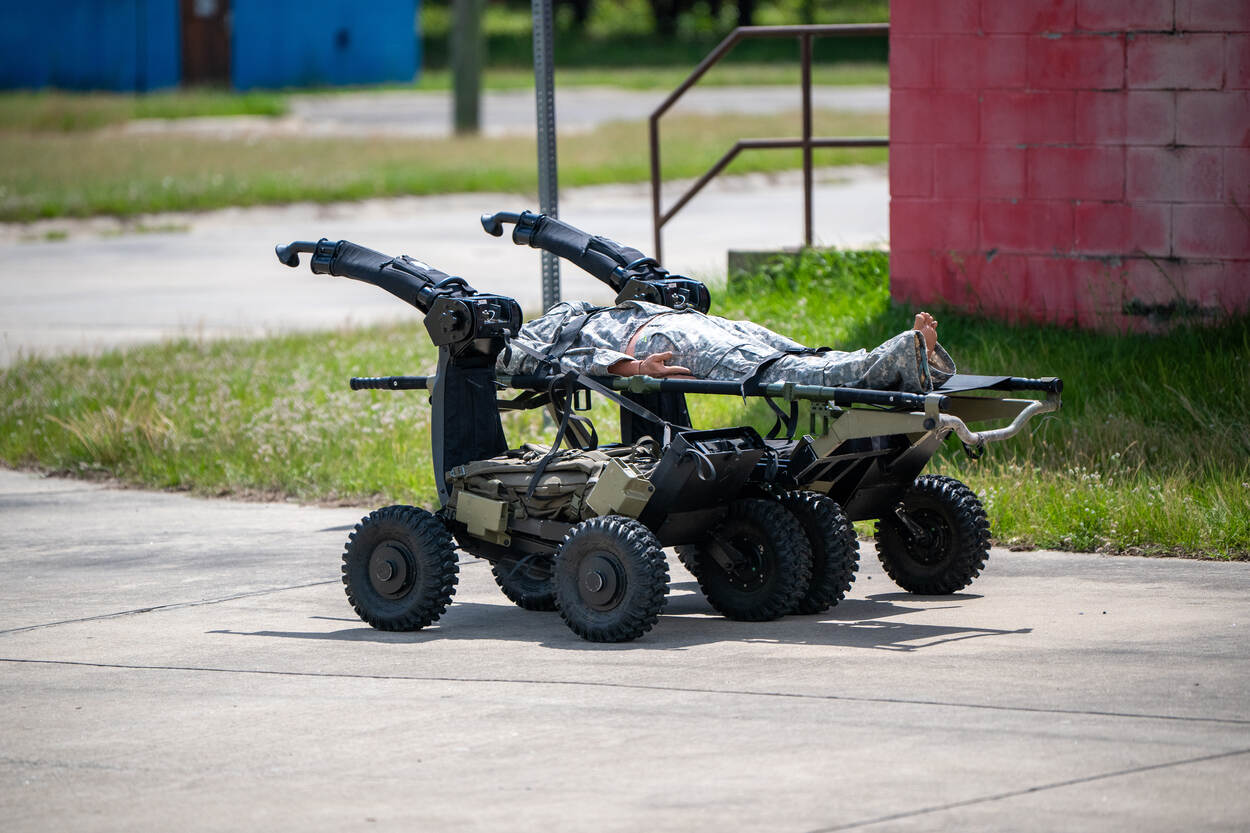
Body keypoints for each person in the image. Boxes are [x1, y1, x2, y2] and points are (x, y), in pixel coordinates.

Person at [499, 299, 955, 394]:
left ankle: (911, 362)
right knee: (774, 371)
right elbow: (557, 364)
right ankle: (896, 357)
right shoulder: (534, 341)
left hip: (687, 324)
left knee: (797, 356)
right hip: (669, 344)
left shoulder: (572, 313)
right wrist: (633, 368)